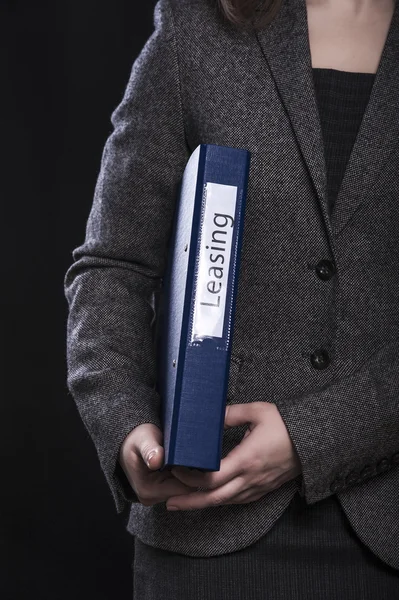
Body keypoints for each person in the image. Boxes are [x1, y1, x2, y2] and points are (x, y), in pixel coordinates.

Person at [64, 0, 399, 597]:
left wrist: (315, 434)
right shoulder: (194, 25)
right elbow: (111, 264)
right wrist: (125, 423)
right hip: (204, 524)